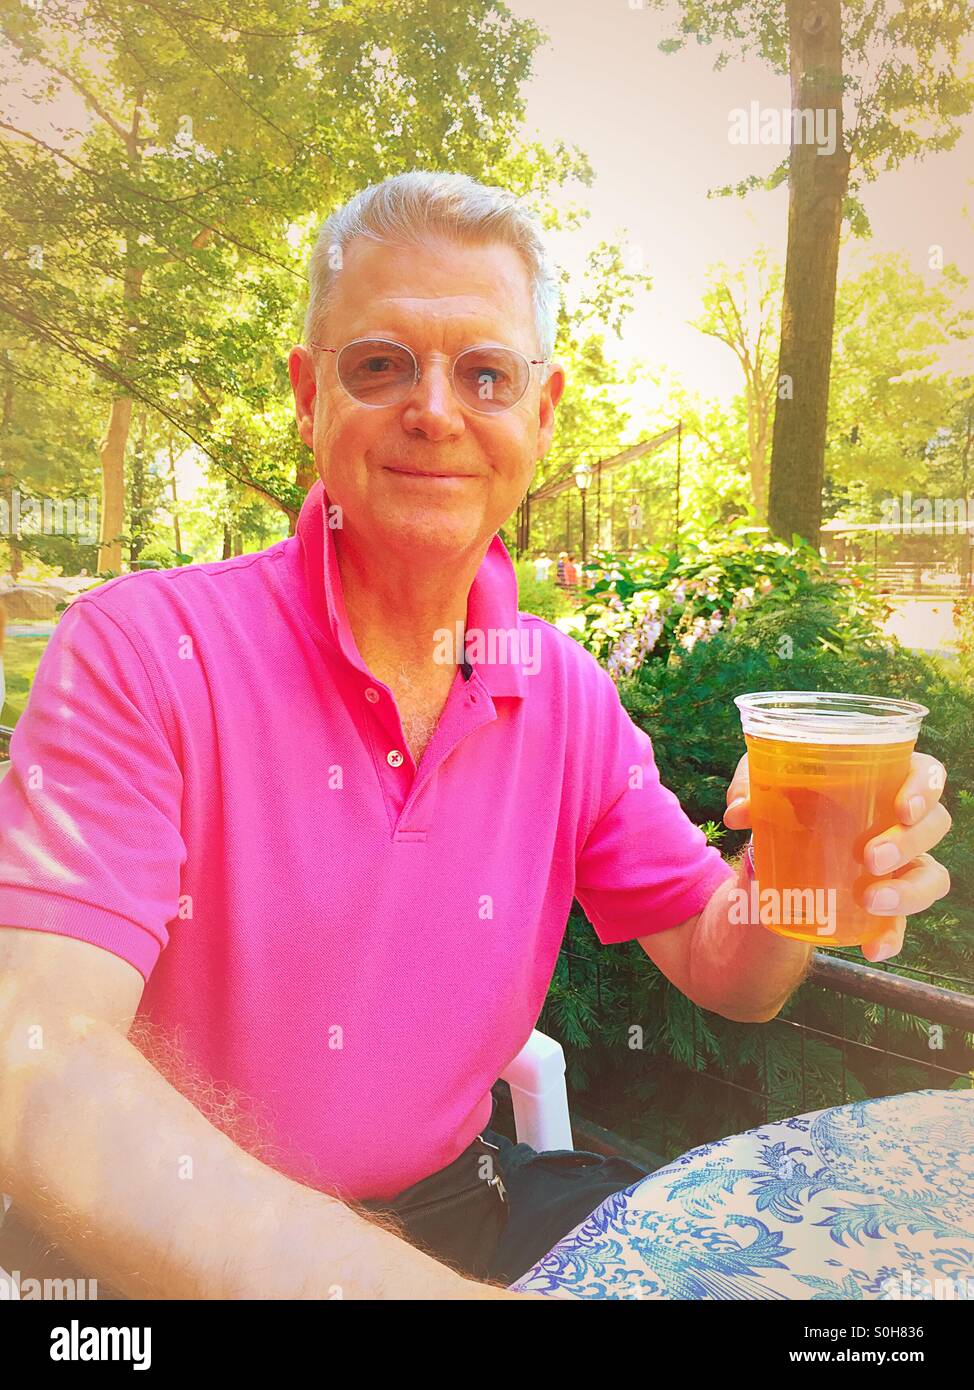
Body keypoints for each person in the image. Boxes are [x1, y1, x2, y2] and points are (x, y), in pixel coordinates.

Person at [0, 171, 953, 1302]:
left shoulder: (564, 697)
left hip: (465, 1213)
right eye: (380, 364)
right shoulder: (142, 649)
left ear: (541, 416)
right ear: (310, 396)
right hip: (155, 1260)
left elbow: (725, 970)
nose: (436, 410)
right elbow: (36, 1064)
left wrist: (798, 875)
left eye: (485, 373)